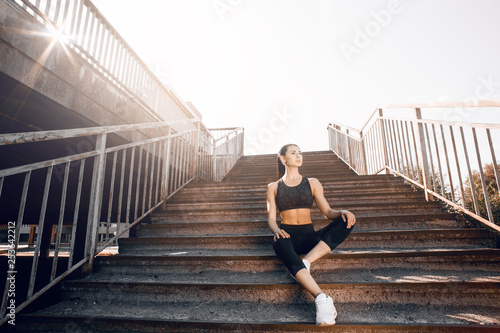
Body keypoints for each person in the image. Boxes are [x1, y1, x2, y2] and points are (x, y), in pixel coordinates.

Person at [266, 144, 356, 326]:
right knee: (278, 241)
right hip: (287, 237)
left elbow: (328, 212)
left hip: (309, 237)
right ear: (283, 158)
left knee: (346, 221)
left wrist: (342, 211)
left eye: (300, 153)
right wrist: (277, 231)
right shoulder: (273, 187)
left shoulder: (312, 182)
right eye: (293, 153)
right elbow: (271, 219)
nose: (298, 156)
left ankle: (305, 262)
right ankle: (322, 298)